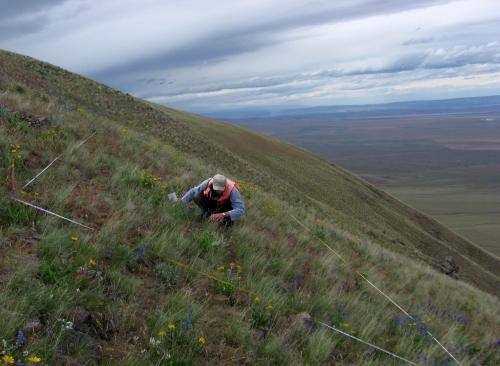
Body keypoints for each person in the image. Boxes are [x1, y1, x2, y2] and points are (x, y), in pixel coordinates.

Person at [181, 174, 245, 226]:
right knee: (196, 195)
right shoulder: (208, 182)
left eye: (221, 189)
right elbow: (194, 191)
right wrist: (181, 202)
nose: (219, 191)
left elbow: (240, 209)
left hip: (224, 207)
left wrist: (223, 215)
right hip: (211, 203)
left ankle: (215, 217)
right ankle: (206, 213)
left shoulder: (233, 190)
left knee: (227, 224)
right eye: (217, 188)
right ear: (213, 184)